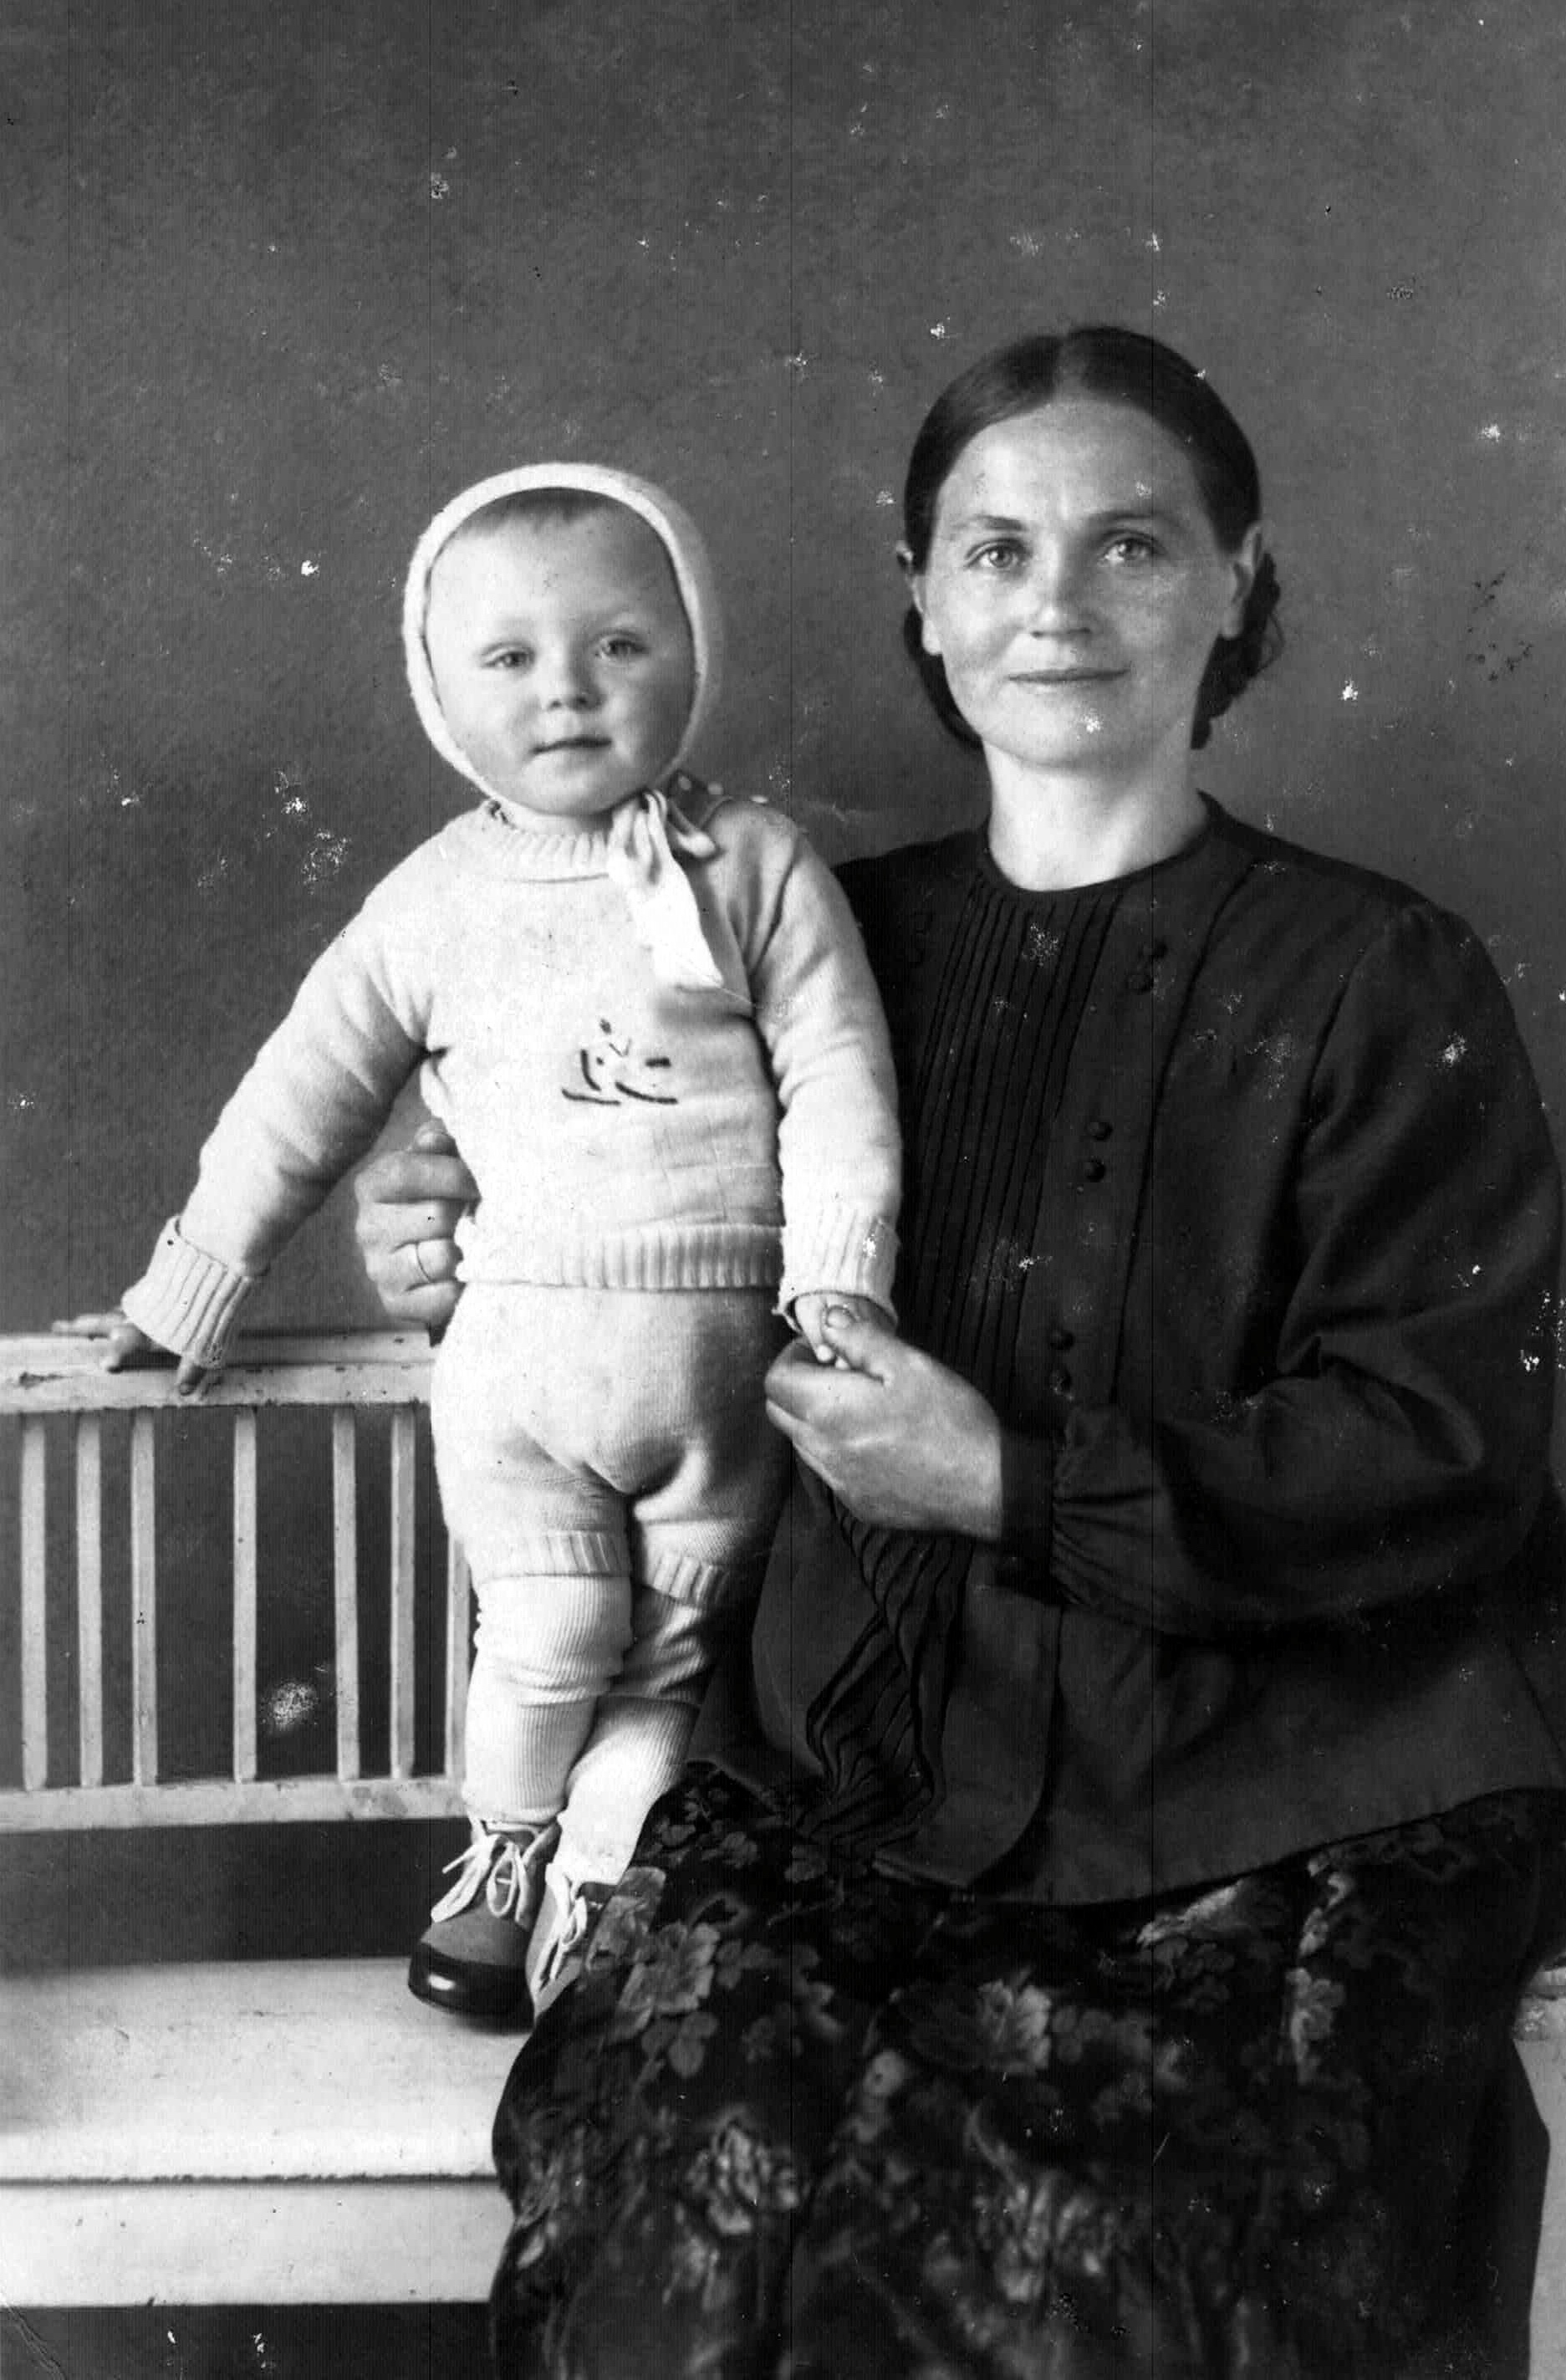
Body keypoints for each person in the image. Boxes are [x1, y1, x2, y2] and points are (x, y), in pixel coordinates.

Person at [354, 328, 1566, 2377]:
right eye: (996, 550)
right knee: (672, 2231)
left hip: (1284, 1792)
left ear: (1239, 584)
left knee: (1084, 2263)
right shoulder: (796, 942)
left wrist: (1006, 1481)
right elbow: (592, 1194)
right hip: (861, 1775)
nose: (1057, 602)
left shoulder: (1379, 972)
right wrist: (443, 1214)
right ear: (921, 597)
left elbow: (1440, 1441)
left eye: (1131, 544)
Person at [59, 462, 900, 2025]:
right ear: (439, 694)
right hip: (519, 1363)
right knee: (550, 1632)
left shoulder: (757, 866)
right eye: (509, 657)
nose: (566, 689)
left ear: (695, 651)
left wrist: (837, 1279)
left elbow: (838, 1077)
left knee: (662, 1669)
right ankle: (500, 1863)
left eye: (619, 644)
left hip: (722, 1371)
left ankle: (594, 1896)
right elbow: (302, 1091)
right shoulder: (434, 897)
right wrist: (193, 1283)